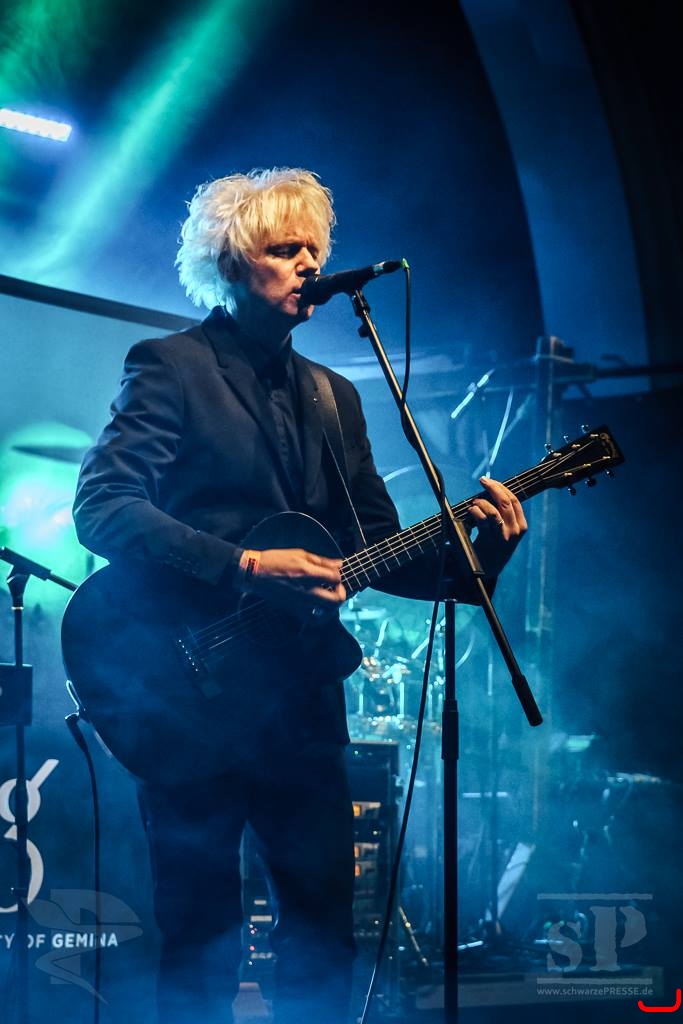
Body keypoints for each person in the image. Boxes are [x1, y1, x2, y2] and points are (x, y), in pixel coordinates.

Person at [72, 166, 527, 1024]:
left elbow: (376, 550)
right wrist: (245, 566)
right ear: (231, 263)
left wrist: (482, 559)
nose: (310, 264)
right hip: (186, 694)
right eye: (285, 248)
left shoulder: (334, 396)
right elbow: (102, 508)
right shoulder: (171, 366)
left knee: (325, 928)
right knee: (200, 936)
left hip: (300, 704)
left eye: (315, 248)